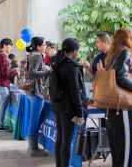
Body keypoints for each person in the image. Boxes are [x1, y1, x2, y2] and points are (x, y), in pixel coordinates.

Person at [103, 28, 132, 167]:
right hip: (122, 110)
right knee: (125, 158)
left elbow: (117, 75)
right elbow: (121, 78)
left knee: (118, 156)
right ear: (128, 38)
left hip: (111, 110)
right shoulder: (125, 52)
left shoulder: (112, 54)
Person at [52, 38, 86, 167]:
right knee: (67, 140)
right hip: (68, 108)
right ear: (74, 51)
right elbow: (75, 91)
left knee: (60, 139)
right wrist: (80, 111)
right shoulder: (71, 66)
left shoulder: (58, 62)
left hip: (57, 105)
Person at [26, 37, 51, 157]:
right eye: (44, 45)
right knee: (34, 119)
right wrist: (47, 71)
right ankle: (33, 148)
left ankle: (31, 147)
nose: (45, 46)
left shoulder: (32, 54)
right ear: (38, 46)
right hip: (36, 90)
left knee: (35, 118)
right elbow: (32, 73)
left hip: (33, 90)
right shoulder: (37, 56)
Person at [0, 38, 18, 131]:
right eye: (10, 46)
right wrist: (15, 72)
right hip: (2, 85)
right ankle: (0, 125)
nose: (10, 48)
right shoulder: (3, 56)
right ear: (5, 45)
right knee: (2, 106)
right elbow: (5, 72)